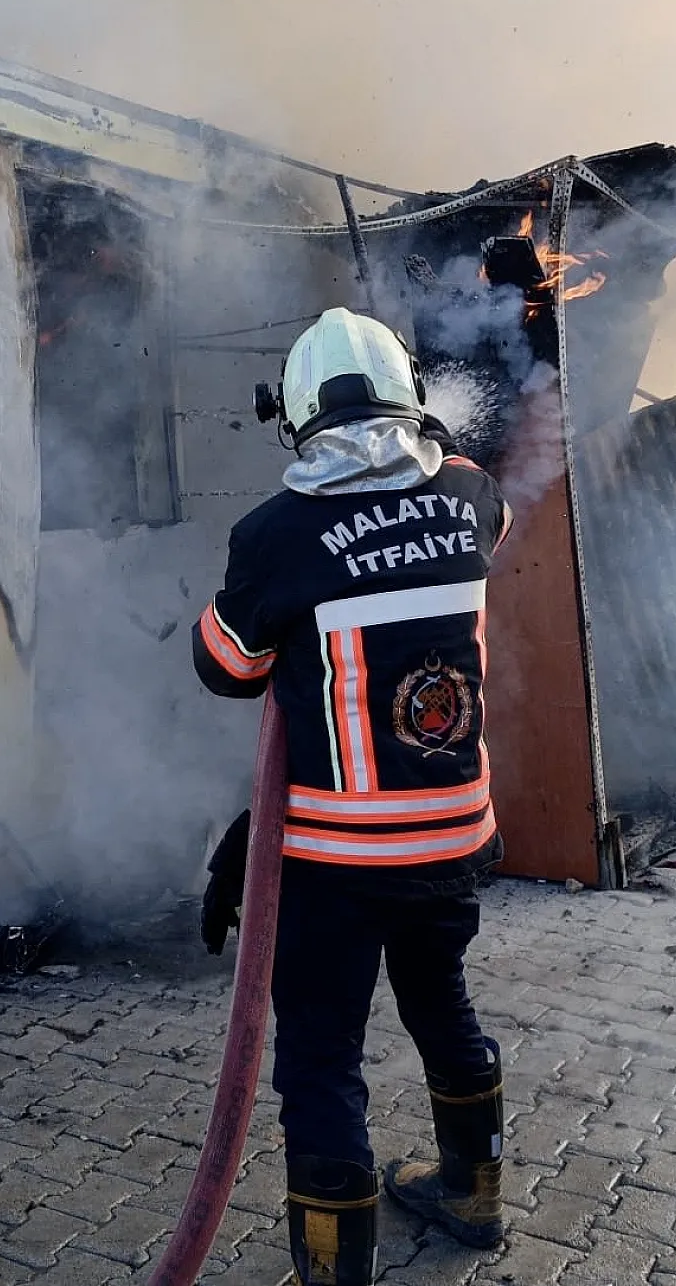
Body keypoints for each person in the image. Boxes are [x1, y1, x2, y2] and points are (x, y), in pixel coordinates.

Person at [193, 308, 512, 1286]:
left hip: (335, 856)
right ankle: (470, 1190)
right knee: (439, 1001)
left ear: (292, 415)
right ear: (408, 397)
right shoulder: (473, 495)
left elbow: (224, 663)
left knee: (320, 1056)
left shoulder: (274, 533)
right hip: (453, 835)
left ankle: (336, 1268)